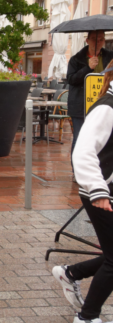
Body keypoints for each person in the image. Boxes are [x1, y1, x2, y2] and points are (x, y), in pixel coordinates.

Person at [52, 60, 113, 323]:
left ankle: (71, 273)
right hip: (99, 191)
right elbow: (83, 151)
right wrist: (99, 190)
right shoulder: (107, 109)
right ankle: (87, 317)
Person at [68, 30, 113, 174]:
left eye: (100, 39)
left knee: (103, 138)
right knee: (80, 137)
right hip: (81, 106)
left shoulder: (110, 57)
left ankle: (100, 170)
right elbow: (71, 79)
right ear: (87, 41)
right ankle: (78, 172)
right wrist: (88, 68)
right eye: (94, 39)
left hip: (103, 104)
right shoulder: (76, 59)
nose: (97, 42)